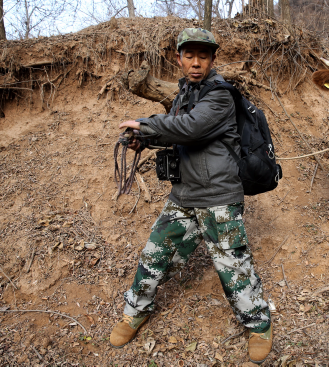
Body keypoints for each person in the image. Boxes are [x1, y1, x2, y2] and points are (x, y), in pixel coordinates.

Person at [109, 28, 273, 364]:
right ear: (179, 57)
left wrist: (144, 124)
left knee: (233, 267)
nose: (195, 63)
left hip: (219, 197)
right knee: (154, 255)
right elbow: (178, 129)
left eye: (203, 56)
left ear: (213, 59)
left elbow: (193, 128)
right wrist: (147, 141)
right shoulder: (185, 93)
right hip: (184, 194)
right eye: (189, 55)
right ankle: (134, 311)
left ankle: (258, 325)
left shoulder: (220, 95)